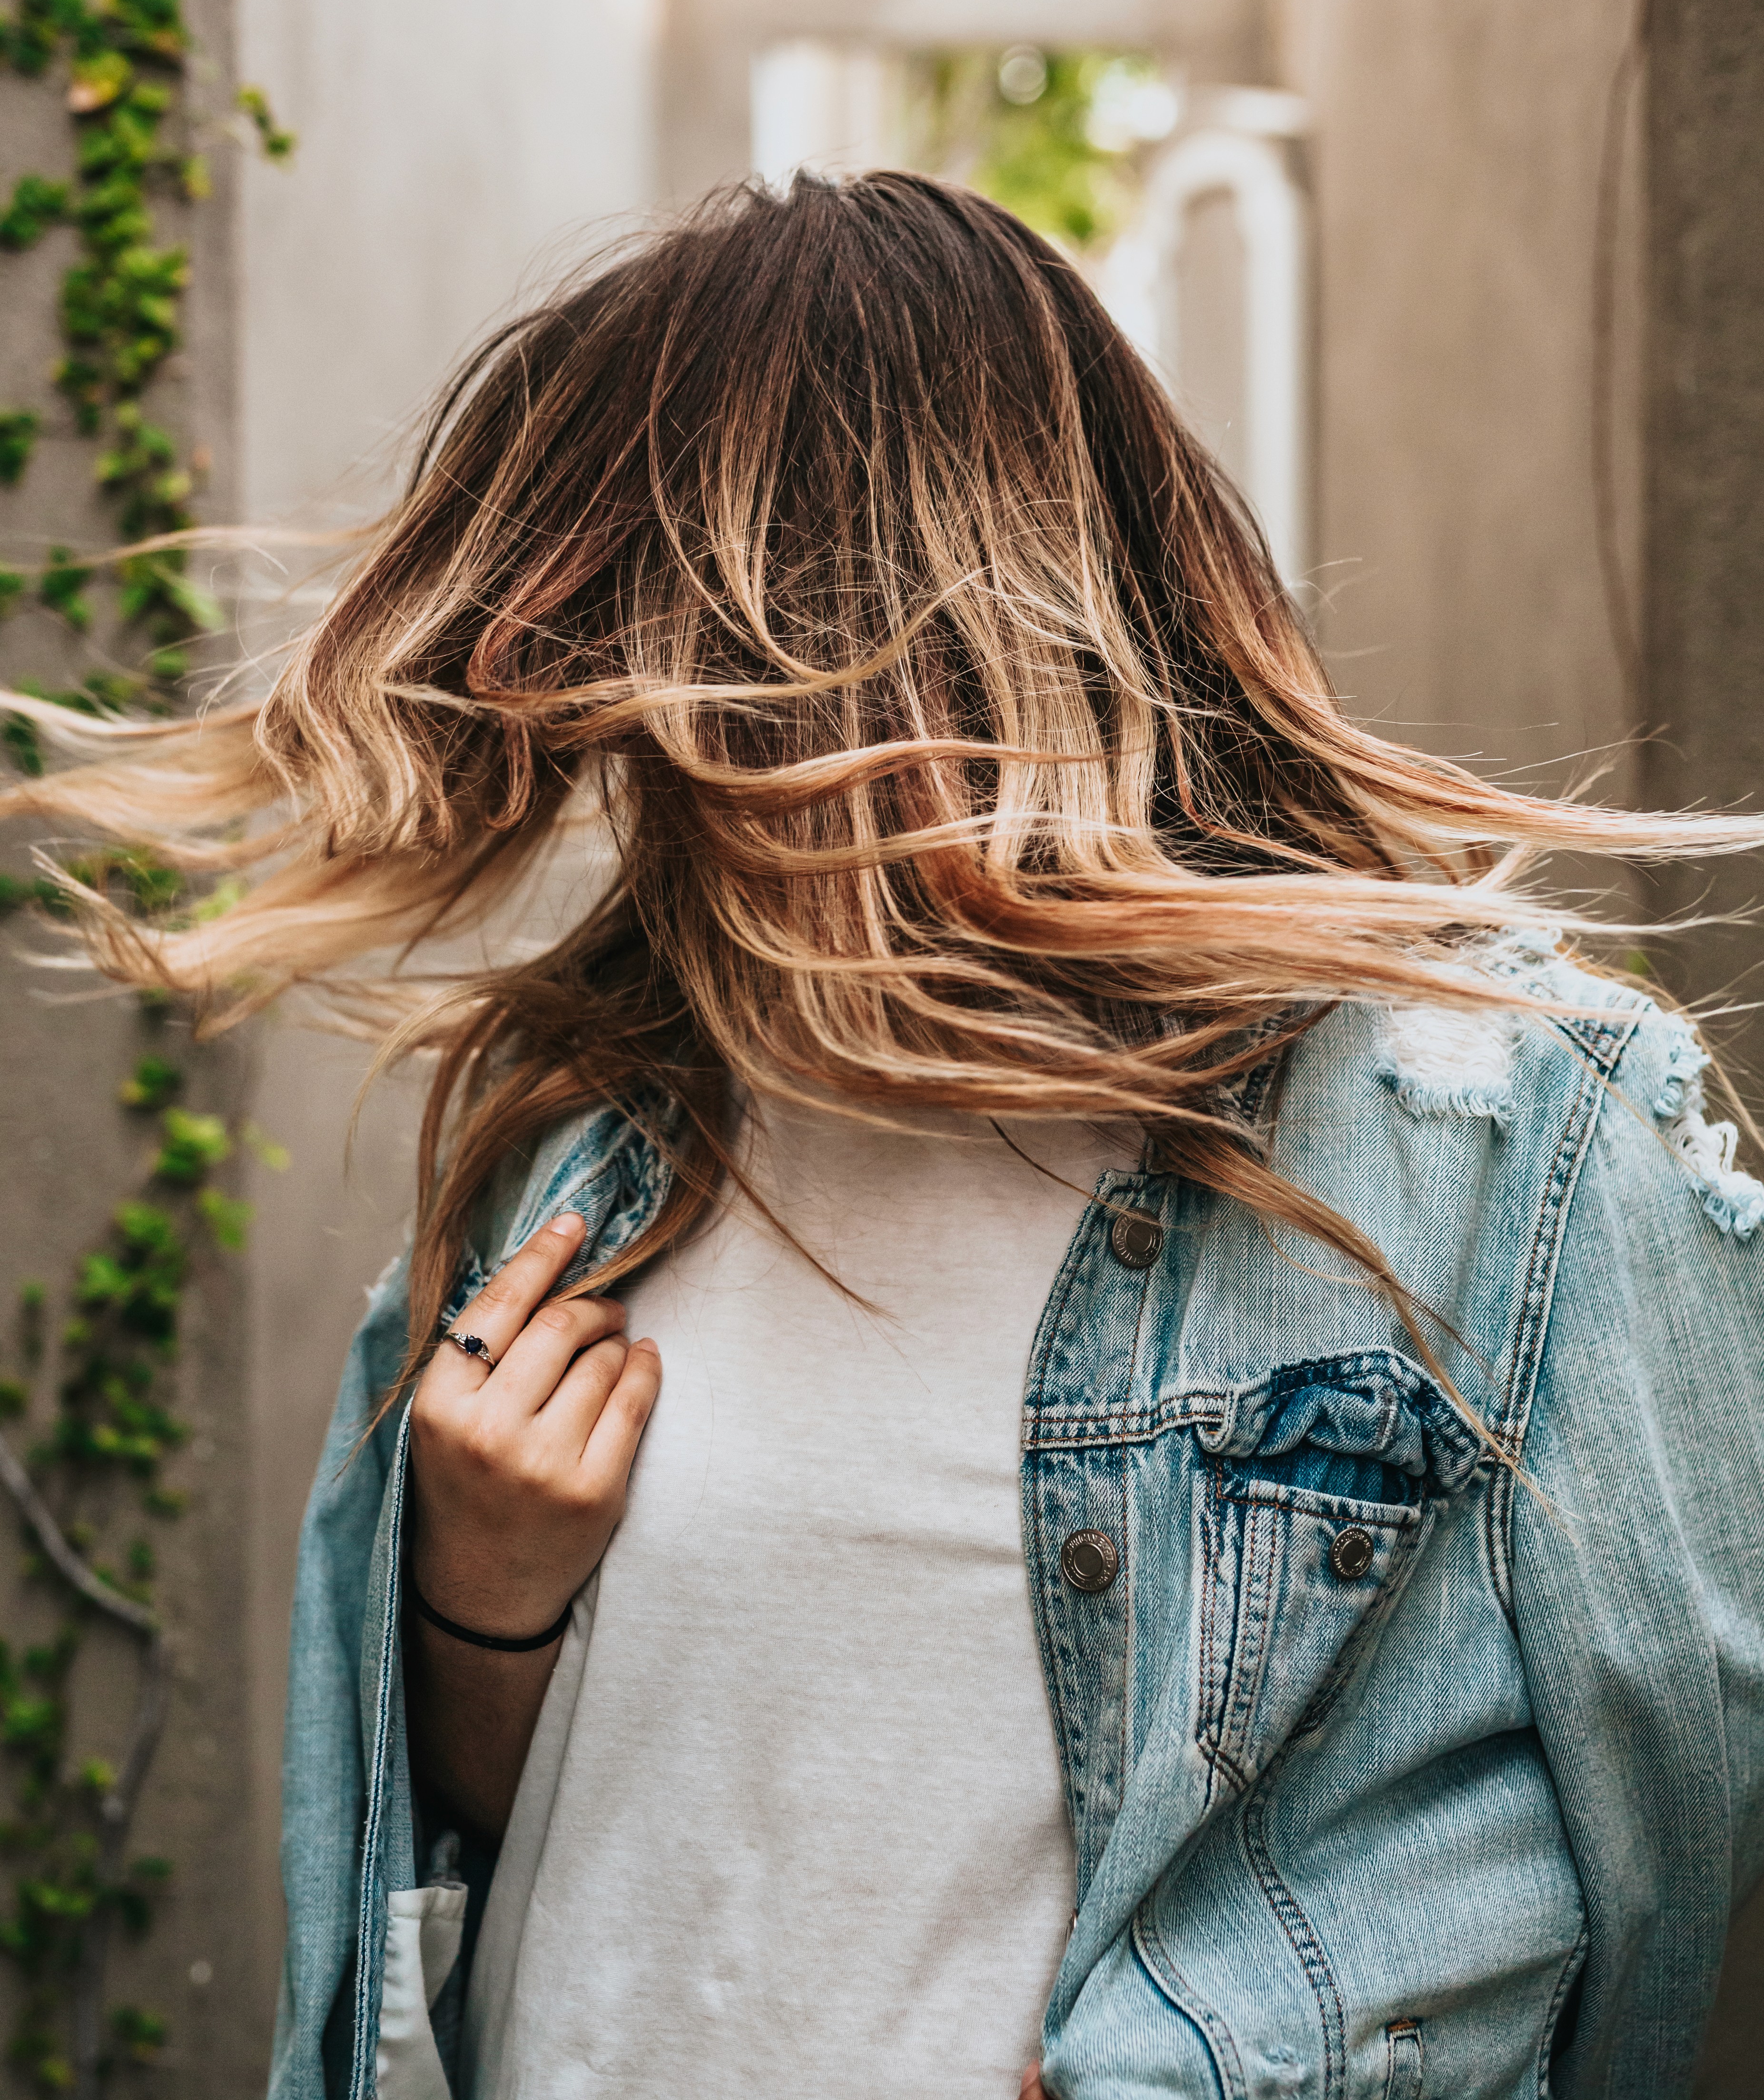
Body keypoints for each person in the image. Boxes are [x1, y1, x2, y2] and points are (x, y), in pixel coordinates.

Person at [10, 171, 1764, 2100]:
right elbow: (536, 1851)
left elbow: (1658, 1870)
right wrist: (477, 1599)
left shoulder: (1510, 1136)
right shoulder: (589, 1137)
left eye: (748, 675)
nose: (698, 762)